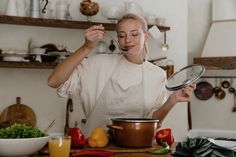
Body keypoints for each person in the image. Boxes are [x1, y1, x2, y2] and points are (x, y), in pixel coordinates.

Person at [48, 13, 195, 137]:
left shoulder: (157, 75)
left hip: (136, 148)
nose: (128, 40)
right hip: (95, 147)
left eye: (134, 34)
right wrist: (86, 47)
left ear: (146, 35)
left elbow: (153, 123)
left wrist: (172, 100)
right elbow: (53, 81)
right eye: (122, 35)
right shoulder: (98, 64)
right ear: (117, 39)